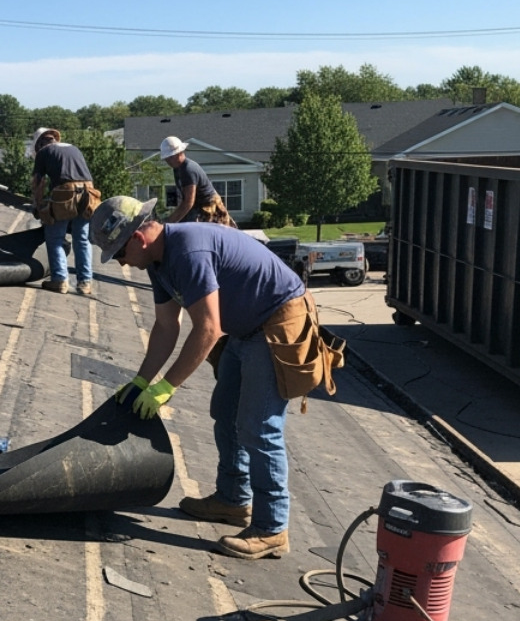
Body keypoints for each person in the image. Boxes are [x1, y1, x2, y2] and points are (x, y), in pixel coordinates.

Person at [92, 195, 311, 560]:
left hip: (277, 322)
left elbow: (208, 330)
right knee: (224, 413)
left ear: (137, 240)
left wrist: (166, 387)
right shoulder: (157, 262)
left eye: (118, 254)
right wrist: (142, 380)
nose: (122, 263)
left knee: (258, 428)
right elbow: (166, 326)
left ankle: (273, 528)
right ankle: (233, 499)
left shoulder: (188, 253)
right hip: (244, 329)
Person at [28, 127, 98, 295]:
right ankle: (85, 283)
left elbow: (38, 183)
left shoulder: (45, 152)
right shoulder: (73, 148)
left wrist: (38, 206)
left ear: (40, 144)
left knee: (55, 237)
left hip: (66, 192)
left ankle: (59, 279)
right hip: (89, 193)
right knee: (82, 238)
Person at [160, 136, 235, 226]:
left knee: (194, 232)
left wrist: (169, 222)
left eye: (170, 157)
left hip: (208, 208)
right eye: (166, 158)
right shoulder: (177, 169)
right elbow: (184, 200)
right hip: (196, 207)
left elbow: (188, 202)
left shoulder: (188, 169)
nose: (167, 161)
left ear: (179, 153)